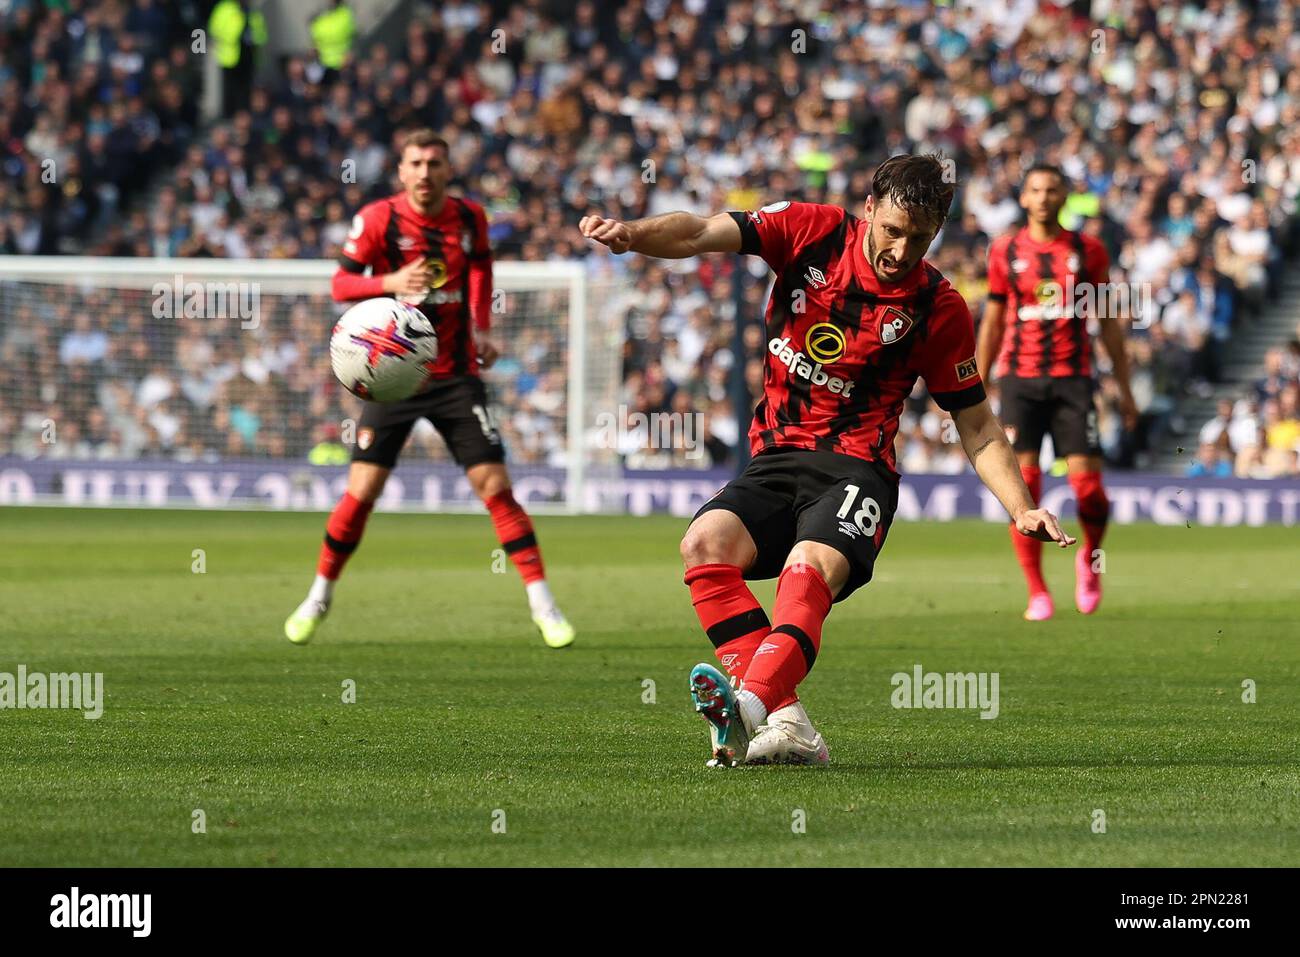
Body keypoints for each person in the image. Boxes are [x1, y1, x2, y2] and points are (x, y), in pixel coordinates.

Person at [580, 154, 1073, 766]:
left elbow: (976, 425)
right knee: (704, 544)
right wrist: (633, 235)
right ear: (869, 209)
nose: (901, 250)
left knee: (805, 569)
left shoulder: (938, 308)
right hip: (776, 457)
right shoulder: (810, 231)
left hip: (856, 469)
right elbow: (700, 231)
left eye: (920, 239)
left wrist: (1021, 507)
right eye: (893, 230)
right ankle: (787, 723)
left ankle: (749, 710)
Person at [284, 129, 575, 649]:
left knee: (495, 487)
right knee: (361, 493)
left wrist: (482, 325)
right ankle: (318, 597)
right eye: (415, 163)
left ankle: (544, 606)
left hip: (456, 376)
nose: (424, 172)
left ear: (447, 170)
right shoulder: (378, 220)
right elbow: (341, 284)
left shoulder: (469, 218)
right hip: (391, 380)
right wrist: (389, 283)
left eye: (434, 163)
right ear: (401, 171)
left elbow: (482, 269)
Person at [976, 165, 1136, 622]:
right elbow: (993, 322)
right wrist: (977, 379)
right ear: (1024, 198)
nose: (1044, 197)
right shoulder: (1005, 251)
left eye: (1052, 190)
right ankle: (1038, 590)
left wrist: (1125, 391)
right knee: (1024, 490)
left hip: (1073, 381)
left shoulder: (1088, 251)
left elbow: (1107, 323)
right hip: (1020, 383)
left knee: (1089, 490)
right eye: (1035, 190)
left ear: (1065, 196)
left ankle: (1090, 559)